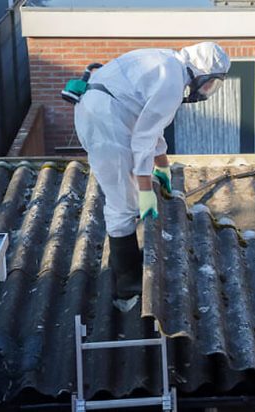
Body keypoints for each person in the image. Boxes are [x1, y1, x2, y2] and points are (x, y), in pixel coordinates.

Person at [73, 42, 231, 305]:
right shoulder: (172, 83)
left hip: (102, 110)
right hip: (105, 121)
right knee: (124, 202)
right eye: (210, 82)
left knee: (127, 195)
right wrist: (146, 190)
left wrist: (162, 165)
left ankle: (122, 264)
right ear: (200, 72)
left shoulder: (170, 63)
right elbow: (143, 138)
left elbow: (151, 125)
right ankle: (127, 281)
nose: (208, 89)